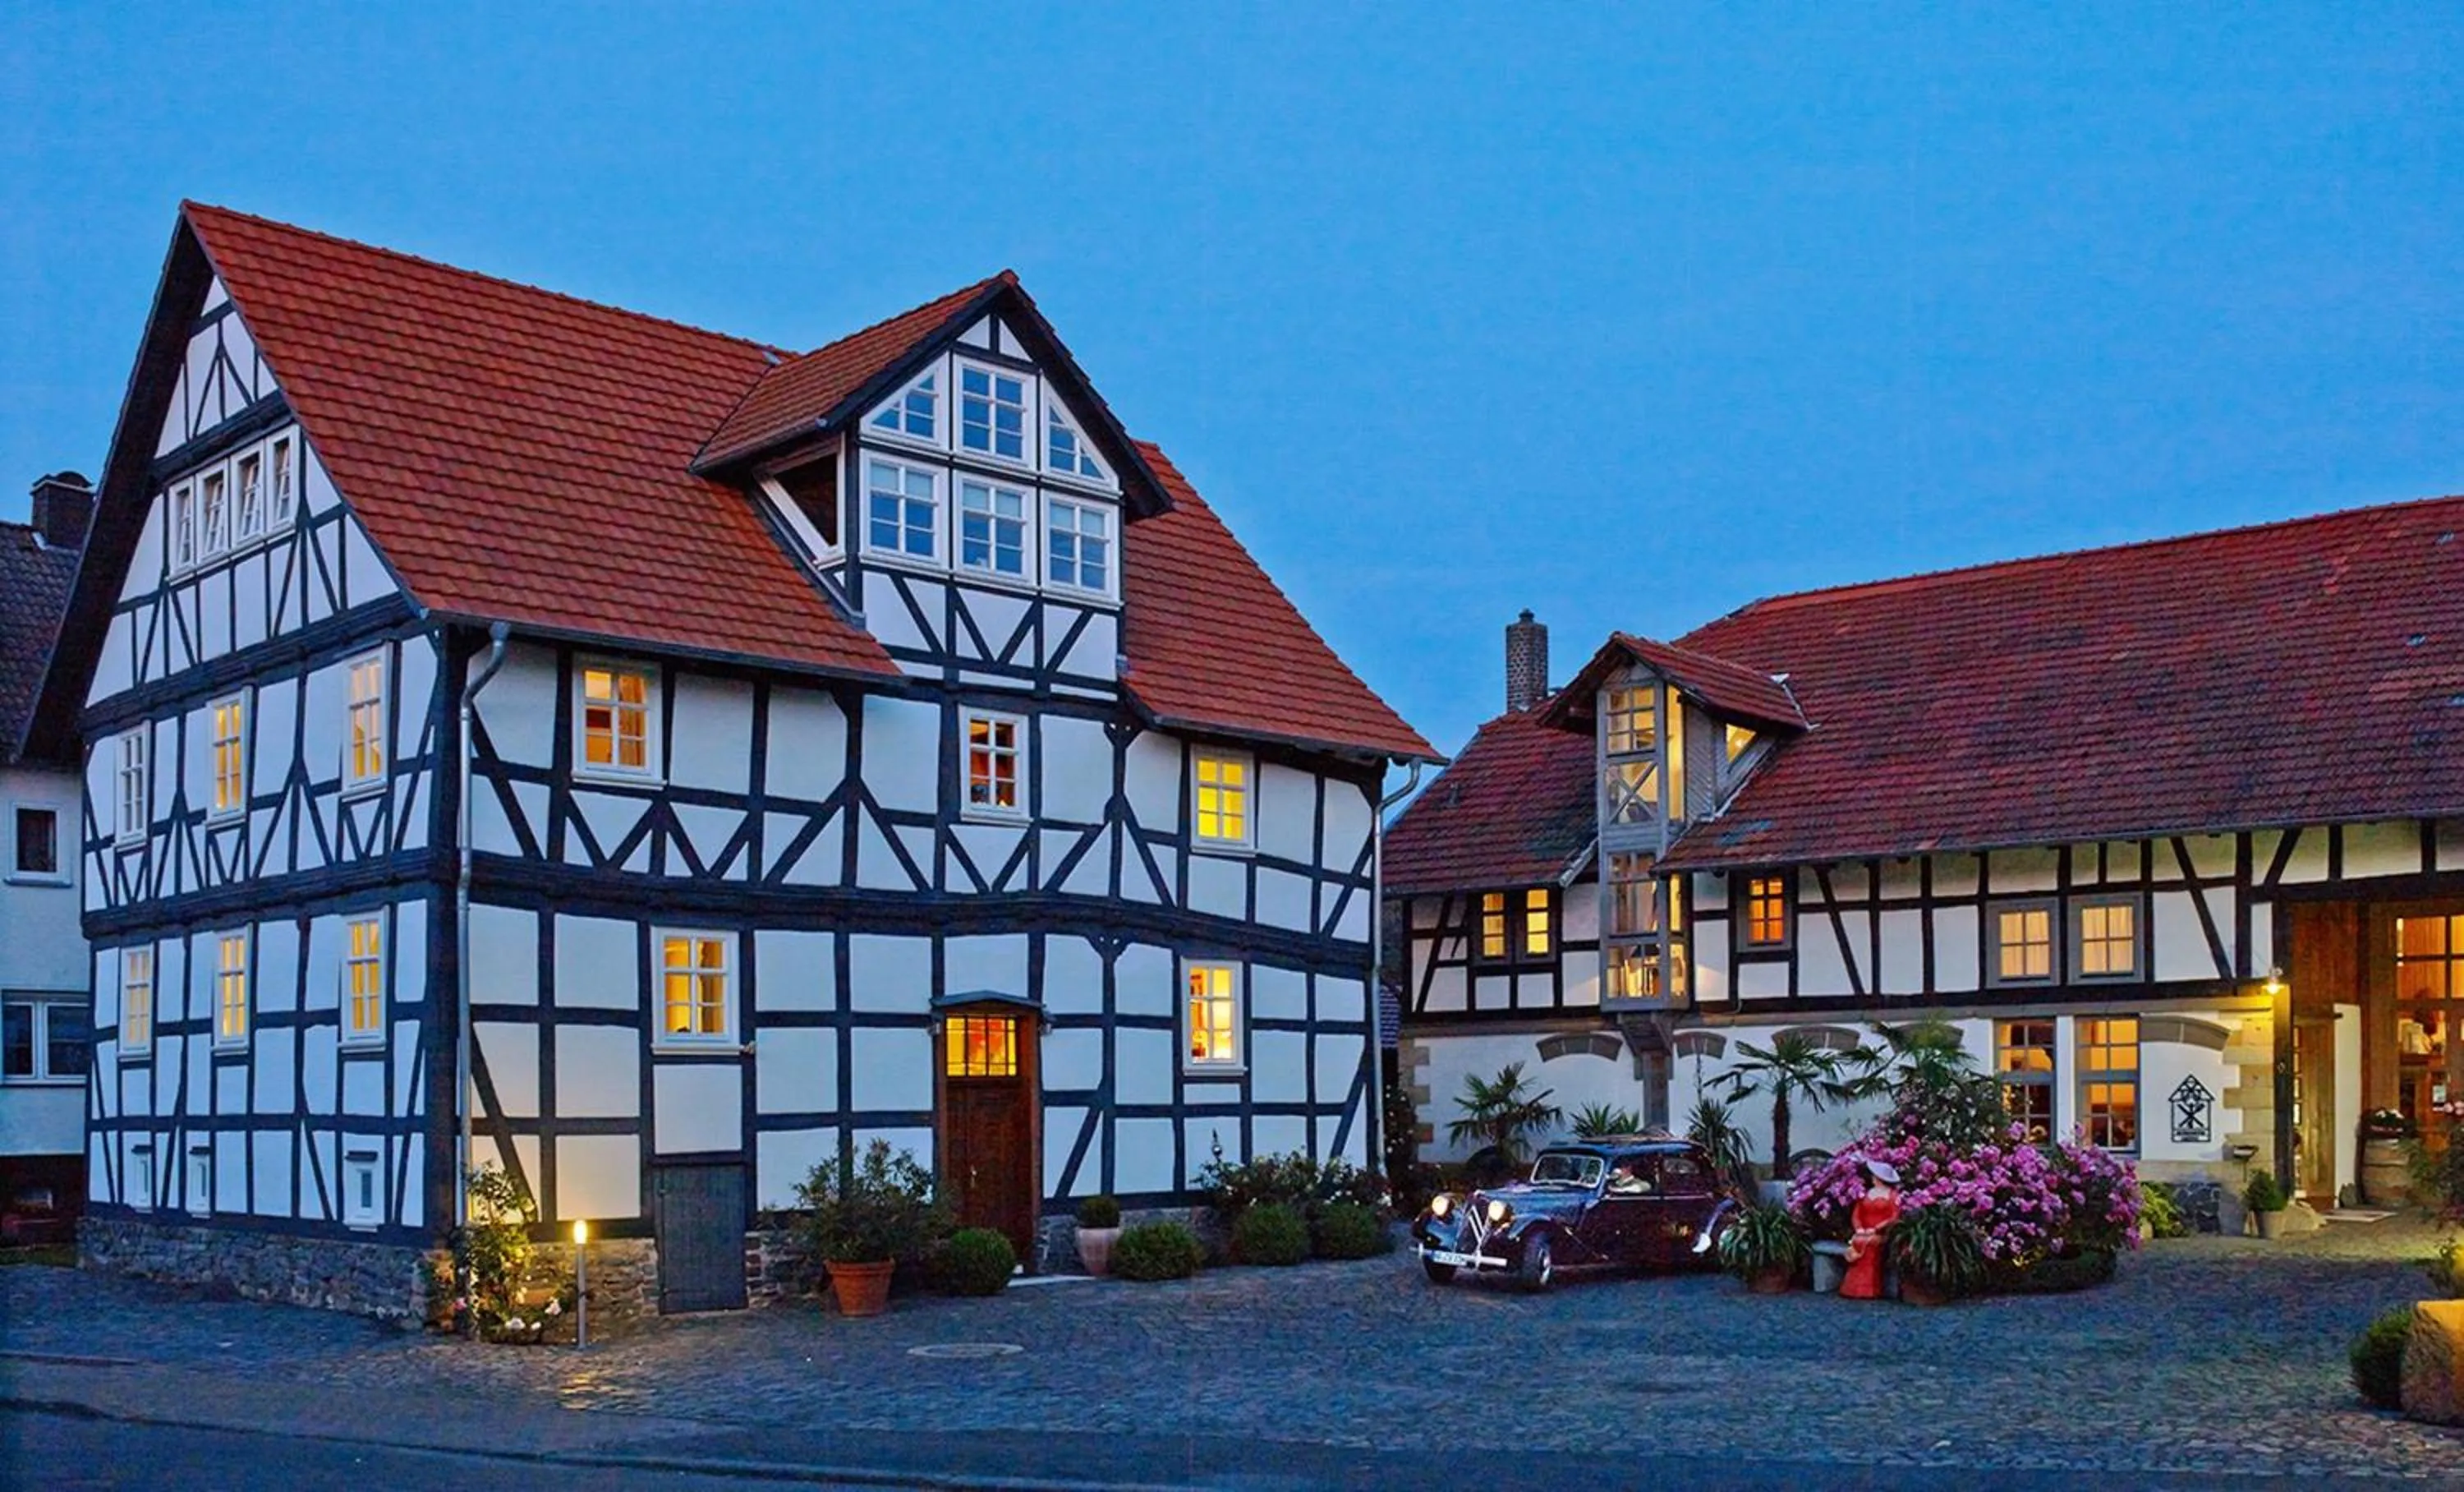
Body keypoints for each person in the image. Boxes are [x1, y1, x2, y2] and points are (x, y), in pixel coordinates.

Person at [1840, 1158, 1901, 1301]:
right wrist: (1859, 1228)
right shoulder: (1867, 1195)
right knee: (1858, 1241)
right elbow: (1857, 1215)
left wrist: (1877, 1228)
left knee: (1870, 1245)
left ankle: (1869, 1288)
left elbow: (1894, 1216)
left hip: (1880, 1233)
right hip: (1863, 1232)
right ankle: (1853, 1287)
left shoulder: (1892, 1196)